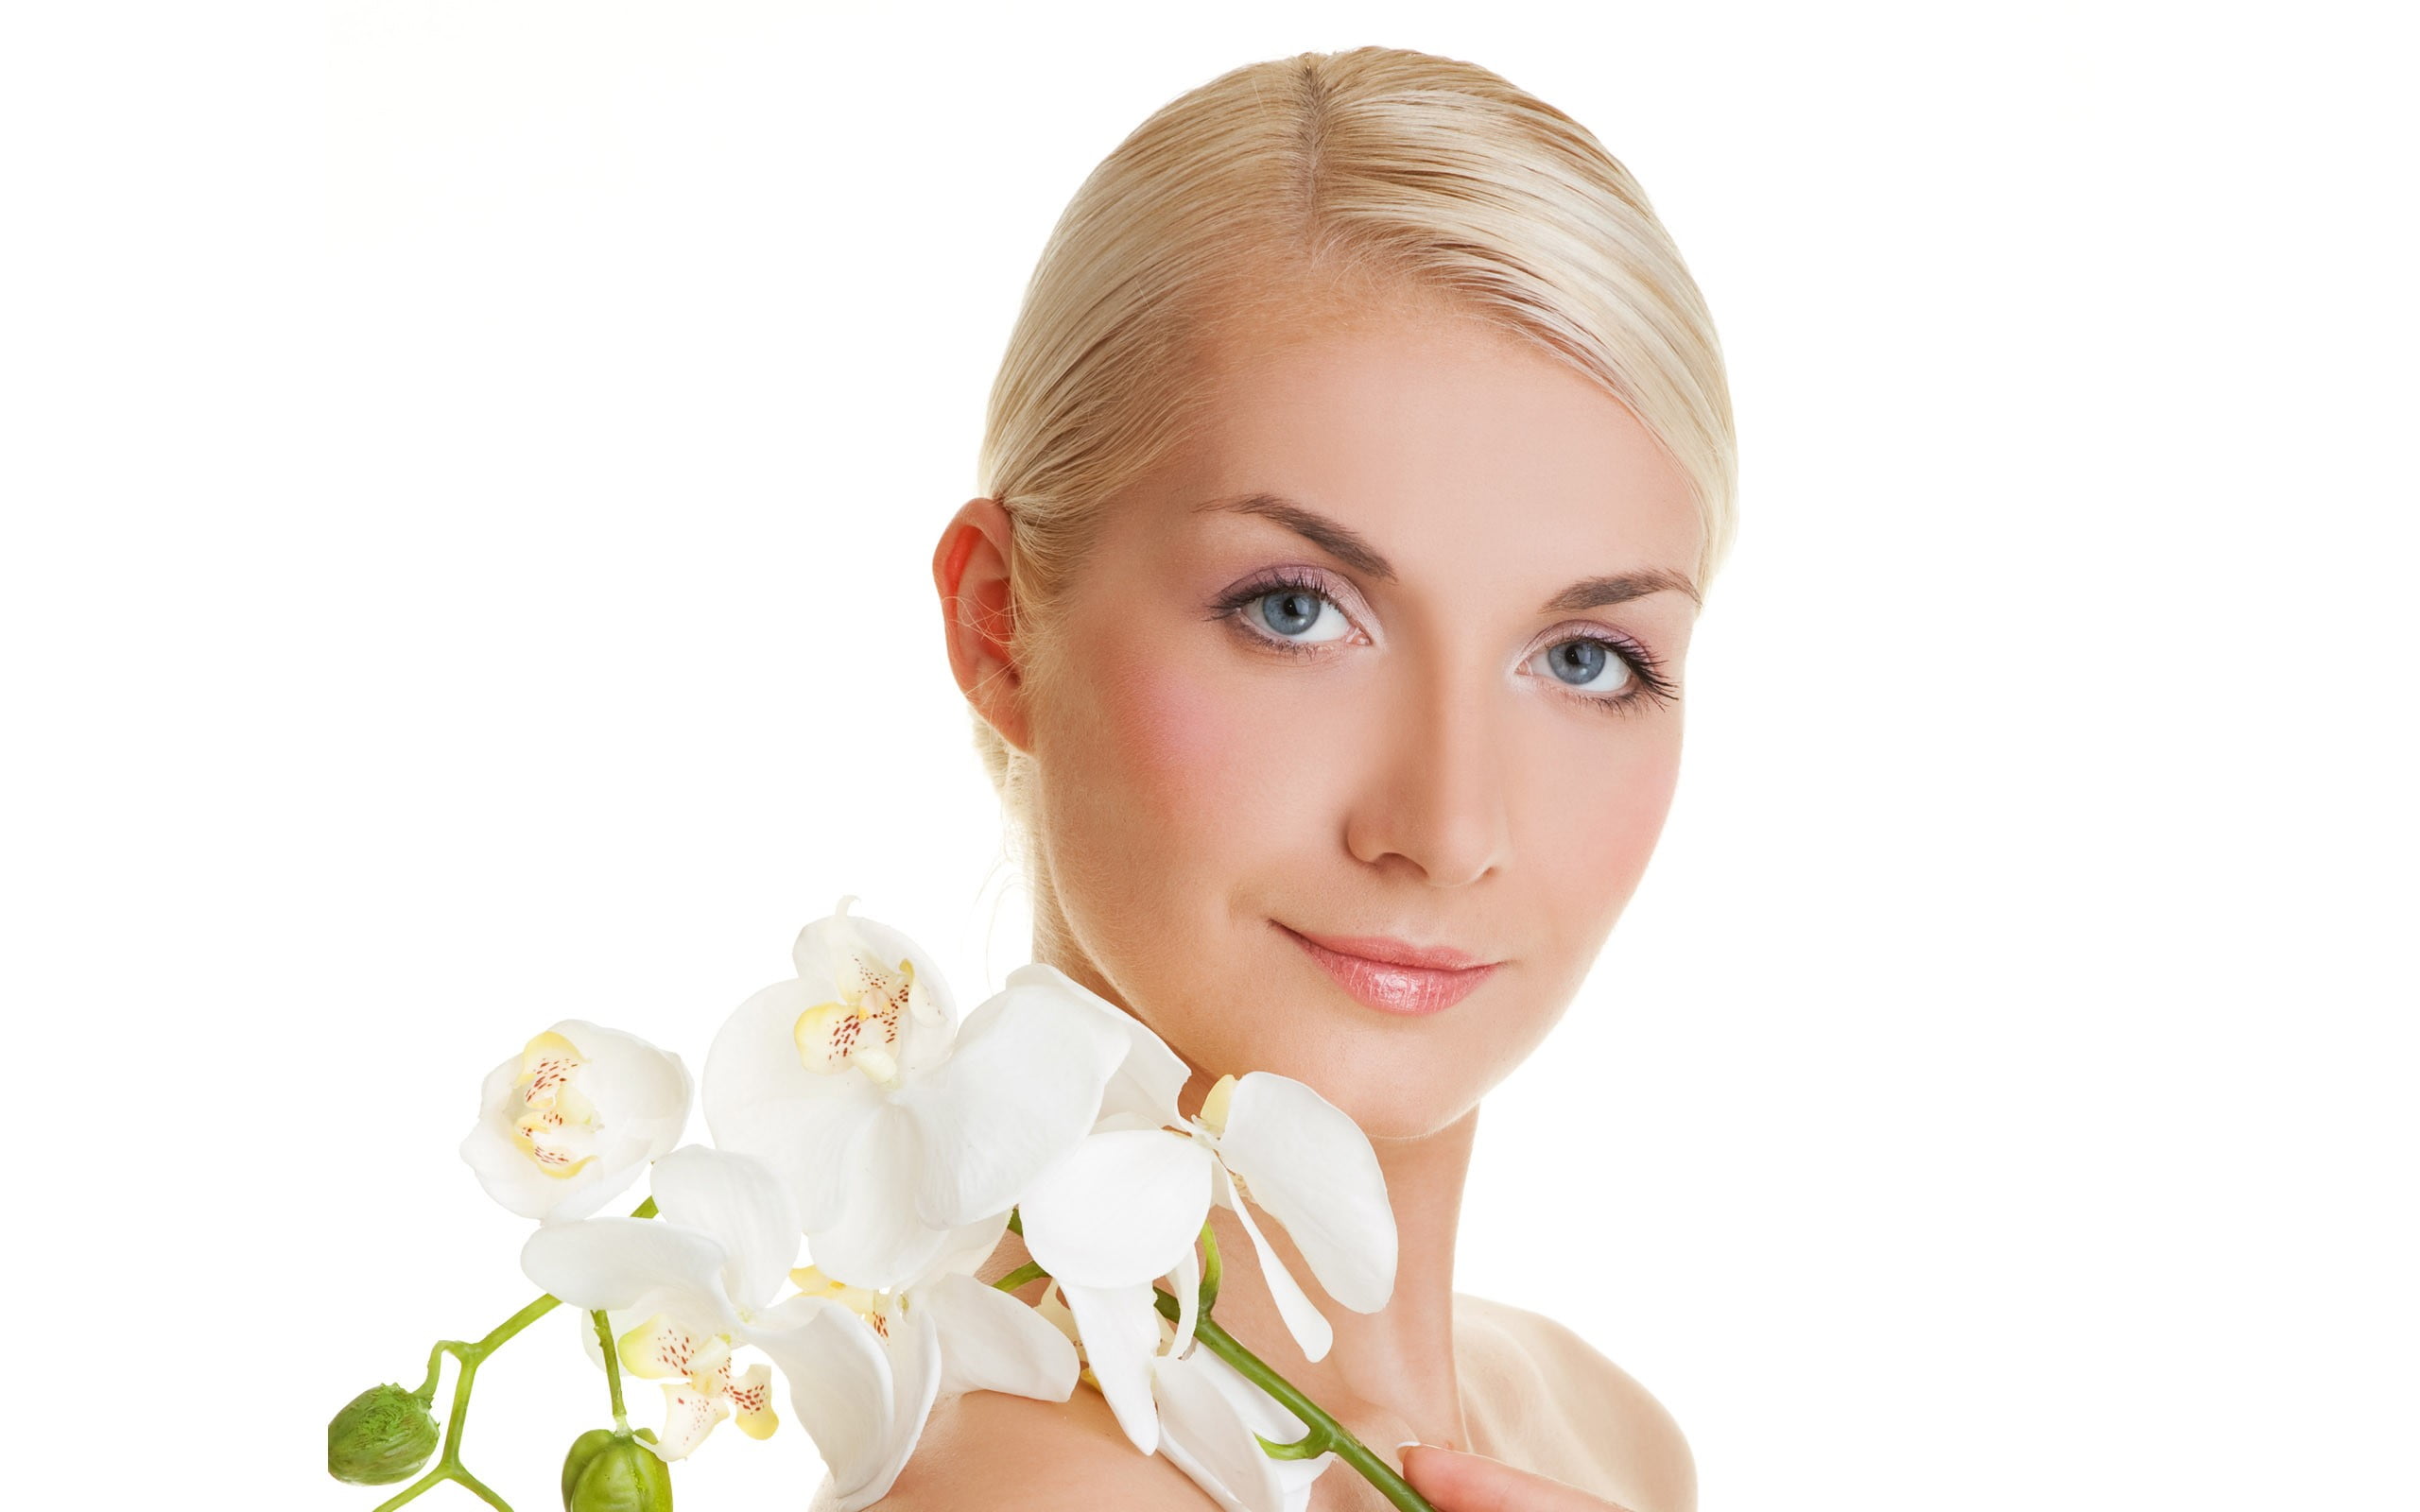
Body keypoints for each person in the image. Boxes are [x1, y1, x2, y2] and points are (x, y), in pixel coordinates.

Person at [903, 43, 1735, 1512]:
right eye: (1294, 609)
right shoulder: (1020, 1483)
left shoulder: (1605, 1433)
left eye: (1589, 658)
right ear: (1000, 628)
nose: (1448, 828)